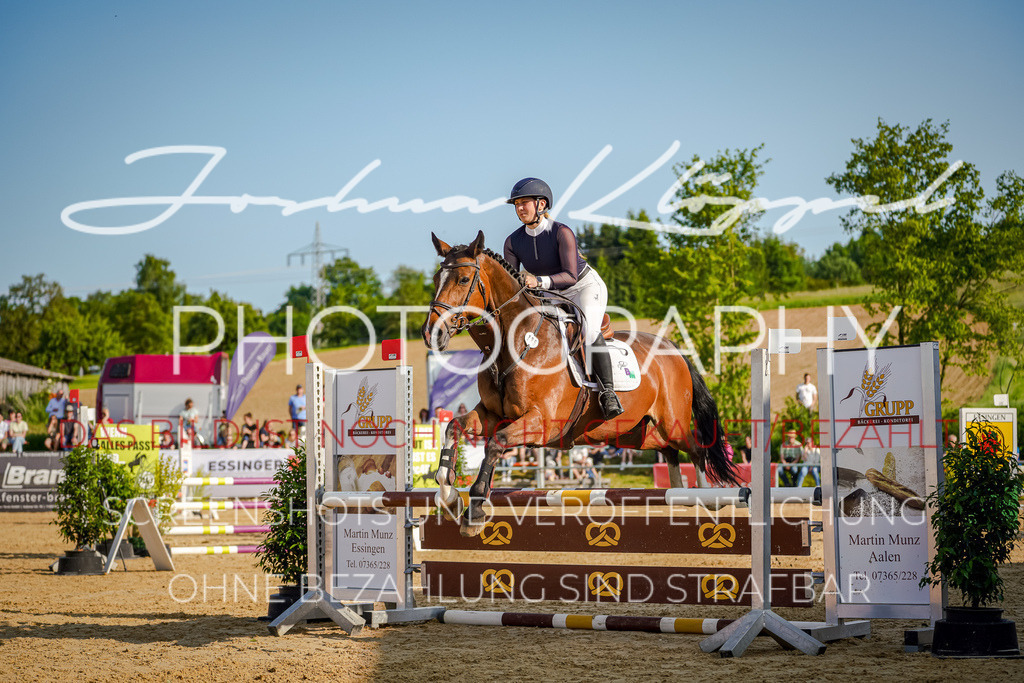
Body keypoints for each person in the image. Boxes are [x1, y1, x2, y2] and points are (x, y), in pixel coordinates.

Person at [502, 177, 623, 420]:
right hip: (550, 292)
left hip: (582, 286)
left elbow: (570, 275)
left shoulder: (561, 232)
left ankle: (608, 393)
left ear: (542, 204)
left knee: (588, 332)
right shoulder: (513, 242)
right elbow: (512, 283)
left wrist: (538, 282)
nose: (520, 208)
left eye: (524, 202)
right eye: (516, 204)